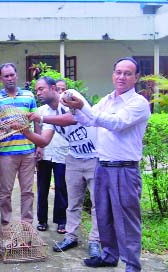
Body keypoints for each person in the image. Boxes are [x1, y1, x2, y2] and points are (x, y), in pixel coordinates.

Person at [63, 57, 151, 271]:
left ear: (136, 77)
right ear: (113, 74)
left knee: (127, 221)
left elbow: (117, 124)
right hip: (102, 165)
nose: (121, 77)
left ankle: (132, 264)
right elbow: (90, 121)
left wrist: (84, 106)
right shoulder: (107, 100)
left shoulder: (138, 103)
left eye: (127, 73)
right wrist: (75, 109)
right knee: (104, 214)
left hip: (125, 169)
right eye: (118, 72)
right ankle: (109, 255)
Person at [12, 76, 101, 258]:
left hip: (95, 157)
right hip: (74, 158)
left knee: (97, 204)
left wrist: (43, 118)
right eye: (36, 90)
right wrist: (26, 132)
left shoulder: (69, 96)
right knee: (72, 203)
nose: (38, 93)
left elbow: (71, 119)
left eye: (41, 89)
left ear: (54, 88)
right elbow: (44, 141)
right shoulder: (47, 112)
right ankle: (71, 236)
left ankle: (95, 241)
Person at [0, 63, 37, 226]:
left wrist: (40, 146)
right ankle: (6, 223)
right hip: (7, 153)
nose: (9, 78)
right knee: (5, 191)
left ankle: (27, 224)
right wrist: (0, 132)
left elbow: (36, 121)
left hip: (28, 151)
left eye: (12, 75)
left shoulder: (29, 96)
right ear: (0, 78)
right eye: (6, 76)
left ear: (16, 75)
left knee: (28, 191)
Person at [35, 104, 69, 234]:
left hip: (63, 154)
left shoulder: (66, 110)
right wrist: (37, 147)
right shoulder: (41, 110)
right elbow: (37, 132)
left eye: (63, 89)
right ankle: (42, 220)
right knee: (42, 189)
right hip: (45, 153)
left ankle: (61, 221)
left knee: (61, 188)